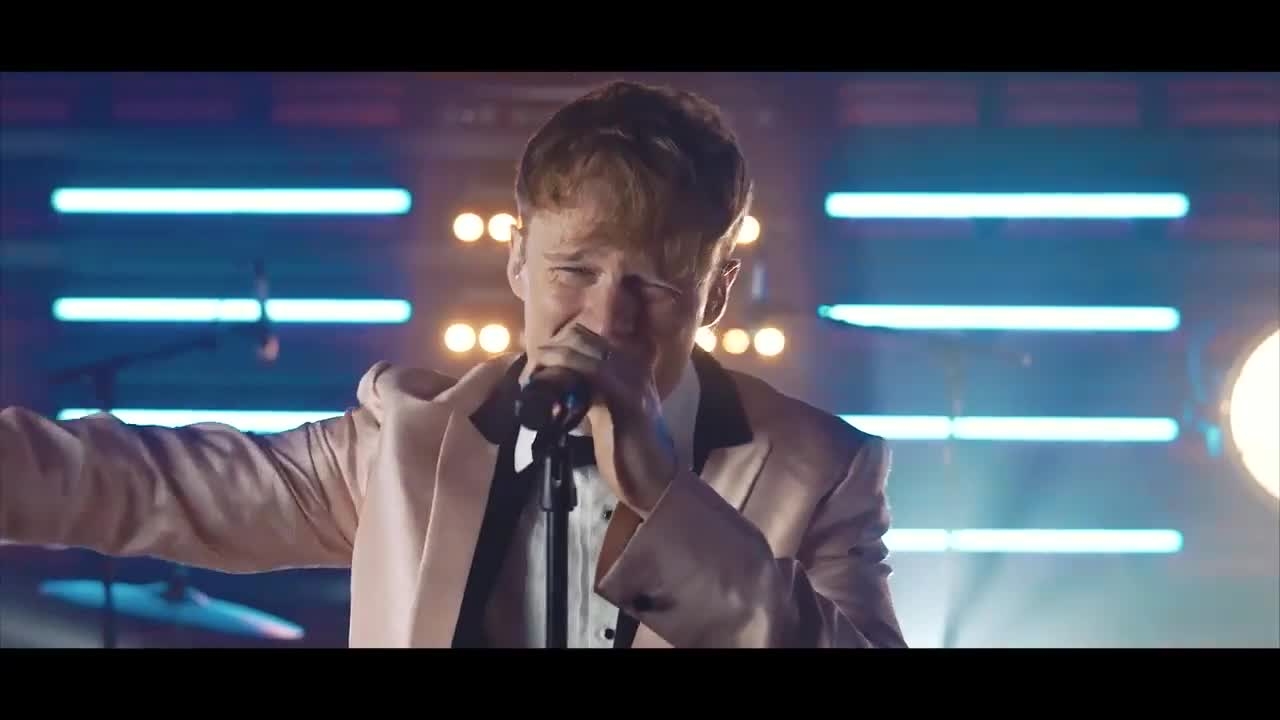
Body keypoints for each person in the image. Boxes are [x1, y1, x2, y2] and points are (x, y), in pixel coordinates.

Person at [0, 79, 907, 649]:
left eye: (656, 285)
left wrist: (667, 500)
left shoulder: (821, 470)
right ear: (516, 261)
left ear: (715, 293)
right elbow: (144, 484)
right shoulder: (409, 441)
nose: (607, 319)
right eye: (573, 271)